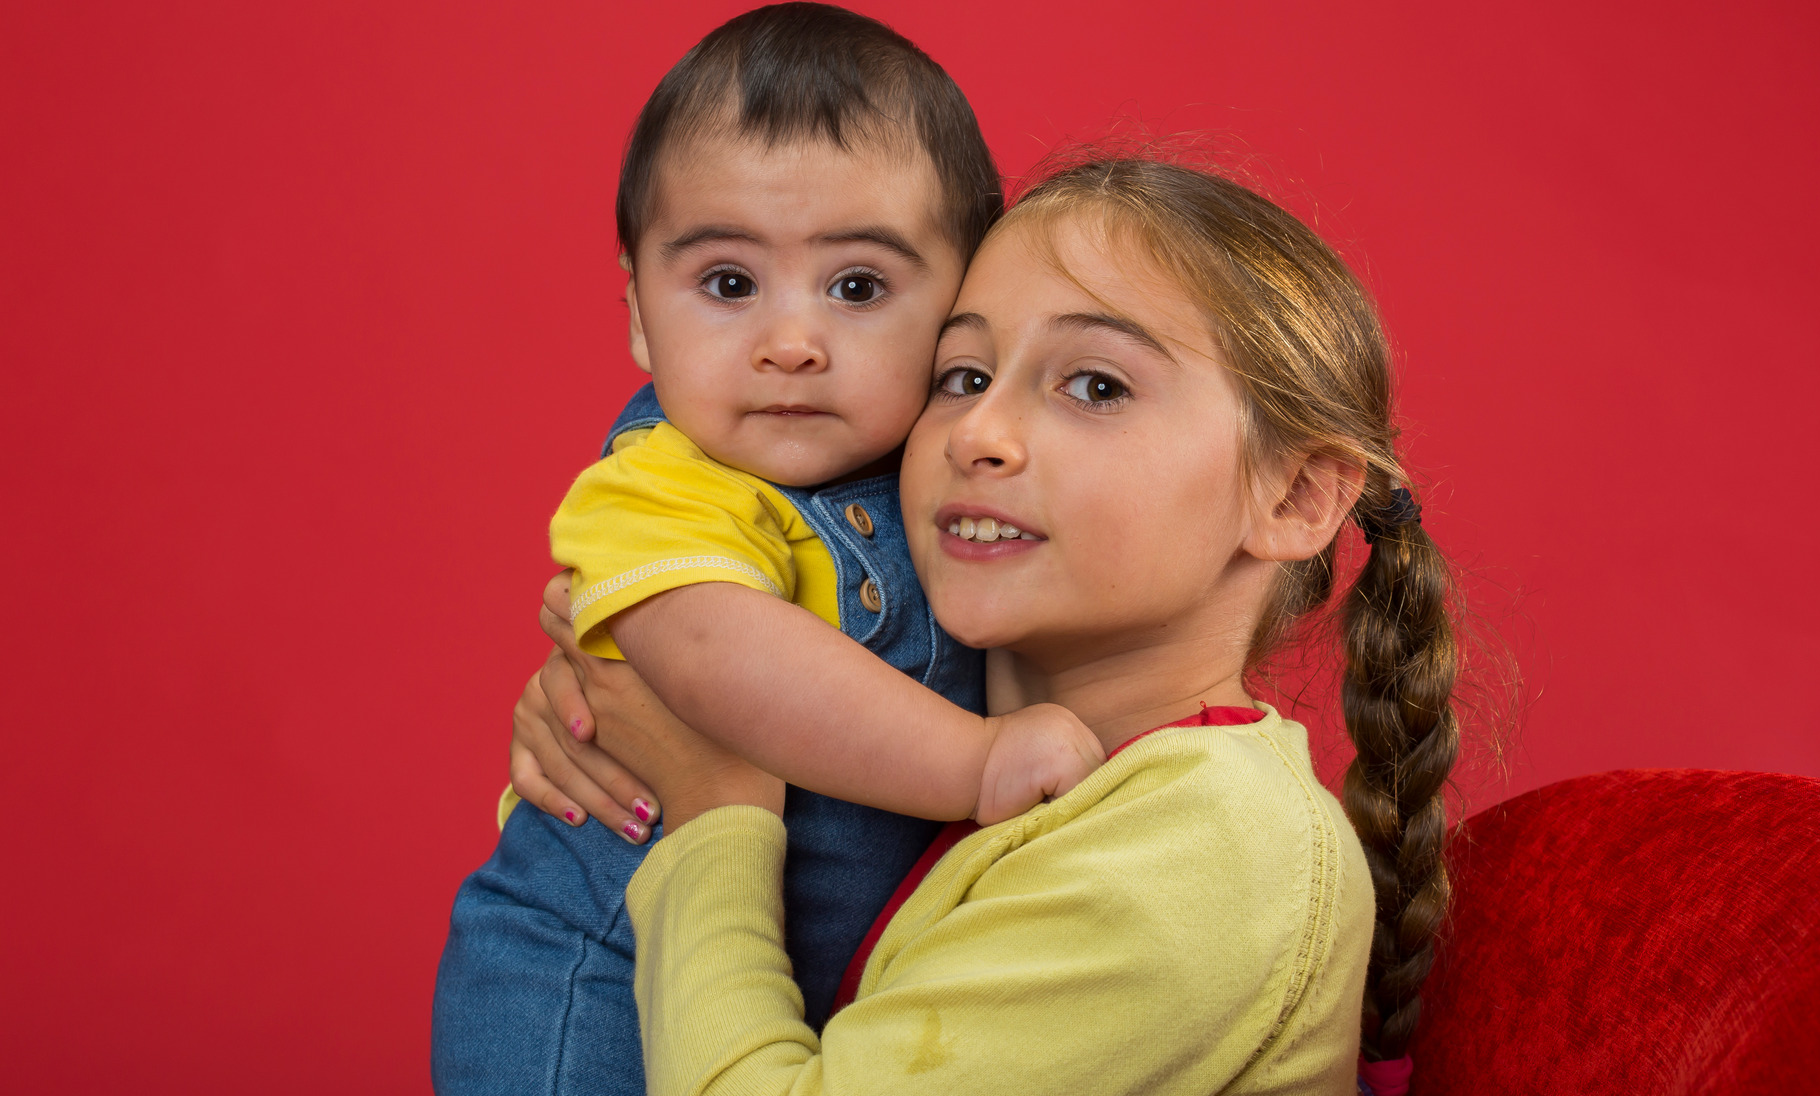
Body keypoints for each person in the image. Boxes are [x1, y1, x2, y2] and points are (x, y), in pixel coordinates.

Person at [522, 156, 1461, 1095]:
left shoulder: (1215, 850)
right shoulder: (920, 749)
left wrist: (709, 797)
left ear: (1296, 496)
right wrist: (642, 700)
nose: (976, 433)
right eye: (961, 376)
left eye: (1097, 387)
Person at [431, 3, 1103, 1096]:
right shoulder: (659, 483)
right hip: (596, 980)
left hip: (811, 1002)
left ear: (960, 305)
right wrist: (977, 763)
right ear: (640, 316)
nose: (791, 343)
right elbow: (721, 654)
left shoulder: (969, 471)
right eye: (730, 284)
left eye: (858, 287)